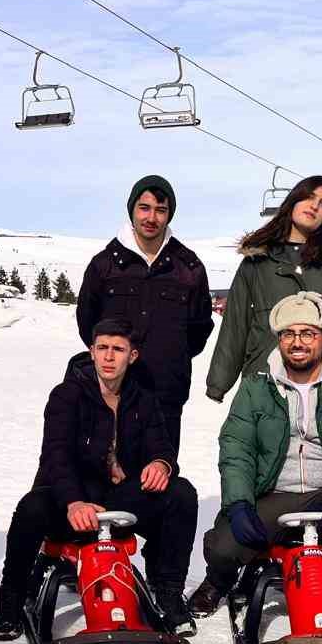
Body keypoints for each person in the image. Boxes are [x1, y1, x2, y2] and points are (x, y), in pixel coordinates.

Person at [0, 318, 199, 640]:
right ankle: (11, 599)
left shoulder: (143, 398)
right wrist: (73, 501)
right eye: (102, 348)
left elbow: (162, 445)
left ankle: (169, 592)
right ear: (91, 351)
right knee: (31, 508)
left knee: (181, 494)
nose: (108, 356)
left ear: (132, 356)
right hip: (74, 498)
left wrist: (161, 464)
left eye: (118, 349)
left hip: (119, 499)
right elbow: (55, 456)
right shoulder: (66, 396)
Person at [188, 293, 322, 632]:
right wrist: (238, 504)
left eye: (307, 333)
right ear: (279, 340)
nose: (297, 342)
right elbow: (237, 448)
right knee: (222, 547)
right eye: (288, 334)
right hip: (274, 492)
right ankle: (218, 580)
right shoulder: (256, 387)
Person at [204, 174, 322, 405]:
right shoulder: (258, 261)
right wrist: (218, 382)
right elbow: (235, 325)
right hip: (263, 384)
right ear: (293, 200)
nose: (314, 206)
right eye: (309, 197)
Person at [76, 174, 214, 450]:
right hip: (113, 390)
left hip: (166, 393)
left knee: (160, 476)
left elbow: (199, 328)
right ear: (132, 210)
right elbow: (87, 323)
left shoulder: (188, 268)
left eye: (161, 210)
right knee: (109, 474)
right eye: (145, 208)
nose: (152, 217)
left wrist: (171, 355)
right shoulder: (104, 265)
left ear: (169, 215)